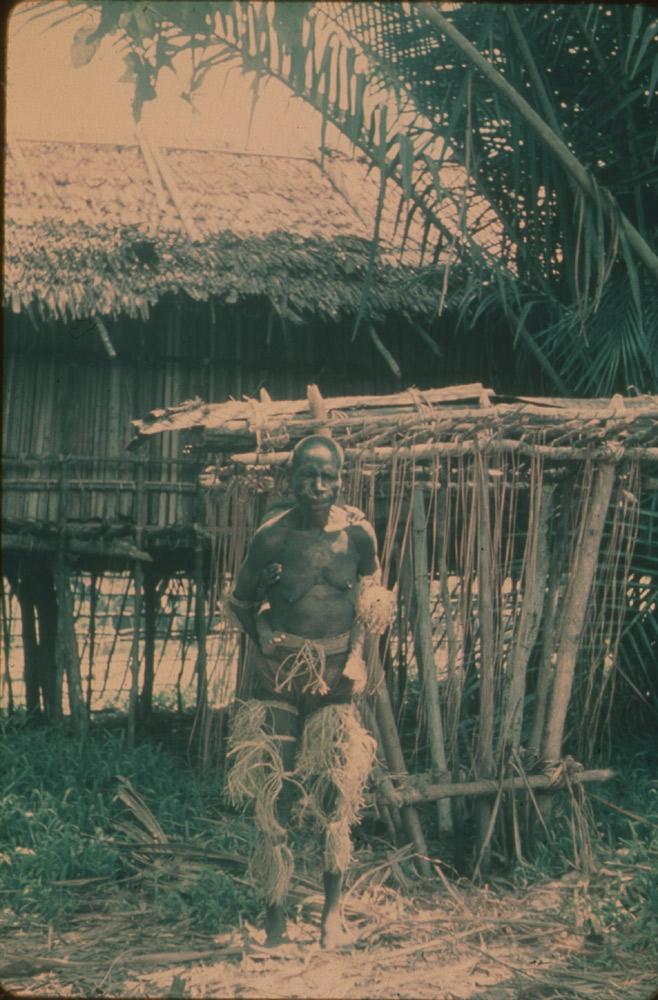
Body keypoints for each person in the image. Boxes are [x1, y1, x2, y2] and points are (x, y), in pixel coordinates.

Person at [225, 434, 395, 948]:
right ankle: (275, 914)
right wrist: (263, 632)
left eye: (327, 476)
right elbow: (238, 601)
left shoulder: (359, 535)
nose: (317, 487)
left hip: (337, 676)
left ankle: (331, 913)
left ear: (341, 479)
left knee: (336, 795)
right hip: (278, 677)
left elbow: (370, 598)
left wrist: (360, 657)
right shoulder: (270, 539)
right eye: (307, 475)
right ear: (290, 477)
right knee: (272, 793)